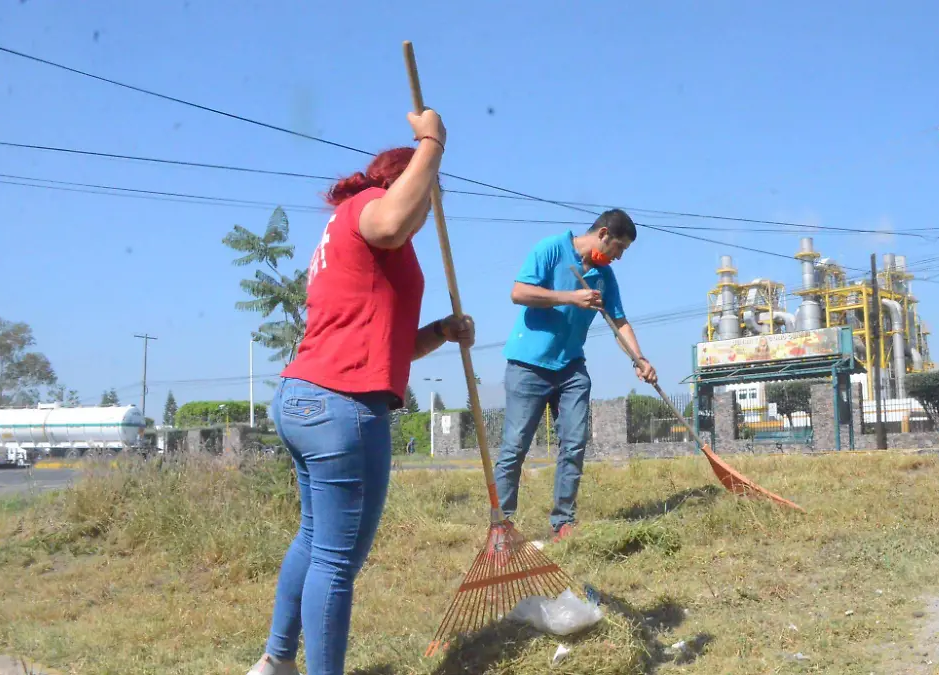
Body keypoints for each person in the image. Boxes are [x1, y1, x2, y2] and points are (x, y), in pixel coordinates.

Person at [246, 107, 475, 675]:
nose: (429, 209)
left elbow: (386, 344)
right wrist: (433, 143)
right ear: (405, 183)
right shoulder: (370, 216)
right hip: (341, 406)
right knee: (337, 558)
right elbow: (395, 220)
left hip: (308, 395)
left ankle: (275, 662)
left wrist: (440, 334)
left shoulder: (359, 235)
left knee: (314, 539)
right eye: (427, 194)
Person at [493, 209, 657, 543]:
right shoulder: (551, 249)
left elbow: (619, 322)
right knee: (514, 448)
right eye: (619, 247)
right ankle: (501, 526)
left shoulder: (603, 276)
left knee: (574, 443)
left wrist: (638, 358)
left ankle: (562, 523)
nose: (619, 256)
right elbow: (519, 292)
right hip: (528, 366)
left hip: (571, 369)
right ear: (603, 234)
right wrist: (570, 297)